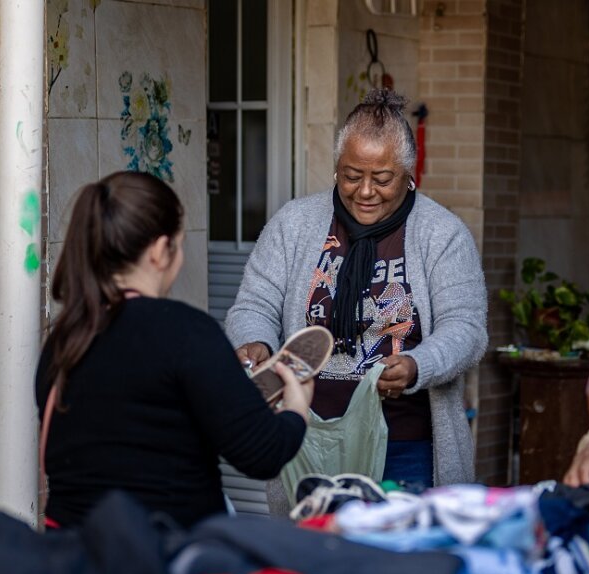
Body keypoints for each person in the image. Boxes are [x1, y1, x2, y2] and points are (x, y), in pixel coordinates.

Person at [226, 89, 487, 509]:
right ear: (335, 169)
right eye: (351, 175)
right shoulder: (294, 224)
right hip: (306, 436)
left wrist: (419, 365)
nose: (365, 191)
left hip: (405, 446)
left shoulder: (443, 234)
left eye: (382, 179)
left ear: (408, 173)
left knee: (394, 567)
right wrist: (256, 342)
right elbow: (254, 304)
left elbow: (467, 329)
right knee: (311, 563)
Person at [35, 171, 312, 529]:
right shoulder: (188, 333)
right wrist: (296, 406)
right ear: (157, 251)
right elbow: (262, 455)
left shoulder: (63, 341)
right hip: (162, 561)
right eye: (178, 245)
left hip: (72, 560)